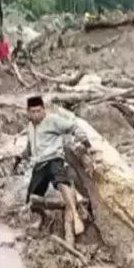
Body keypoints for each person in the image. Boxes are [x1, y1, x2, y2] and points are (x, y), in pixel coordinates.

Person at [15, 96, 90, 246]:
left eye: (38, 111)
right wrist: (19, 157)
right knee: (31, 200)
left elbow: (73, 127)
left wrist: (83, 140)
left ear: (44, 110)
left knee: (61, 182)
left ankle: (74, 214)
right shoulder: (30, 127)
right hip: (39, 165)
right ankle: (45, 218)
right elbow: (30, 150)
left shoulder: (53, 120)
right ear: (28, 113)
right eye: (33, 112)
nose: (36, 114)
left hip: (54, 159)